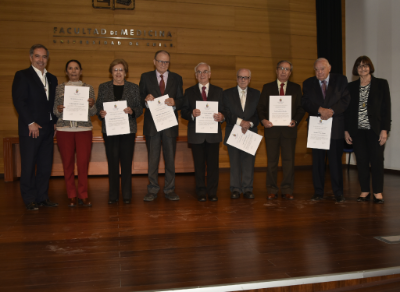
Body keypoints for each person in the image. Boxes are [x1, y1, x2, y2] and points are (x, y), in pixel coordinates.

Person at [12, 44, 59, 210]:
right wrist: (30, 122)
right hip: (31, 129)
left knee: (45, 165)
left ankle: (42, 197)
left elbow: (52, 104)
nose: (41, 60)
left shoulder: (52, 79)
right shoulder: (23, 76)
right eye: (37, 56)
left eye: (44, 57)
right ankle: (29, 199)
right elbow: (19, 101)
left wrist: (54, 122)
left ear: (47, 59)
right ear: (31, 57)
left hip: (47, 129)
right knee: (29, 165)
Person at [302, 58, 350, 203]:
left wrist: (331, 111)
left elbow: (346, 100)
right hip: (317, 128)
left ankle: (338, 193)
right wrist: (319, 110)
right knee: (317, 162)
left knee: (335, 161)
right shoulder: (308, 83)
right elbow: (305, 102)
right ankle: (318, 192)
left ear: (329, 68)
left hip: (335, 126)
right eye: (316, 69)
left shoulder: (341, 80)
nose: (319, 72)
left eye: (322, 69)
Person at [344, 56, 391, 204]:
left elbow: (386, 109)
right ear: (356, 69)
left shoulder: (381, 84)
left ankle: (378, 192)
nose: (362, 68)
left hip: (375, 130)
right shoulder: (351, 87)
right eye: (359, 66)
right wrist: (346, 130)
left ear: (370, 67)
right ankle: (364, 191)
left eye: (365, 65)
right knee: (362, 161)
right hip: (357, 131)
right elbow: (347, 111)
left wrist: (385, 129)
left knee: (377, 161)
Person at [96, 59, 143, 204]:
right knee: (113, 162)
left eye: (121, 70)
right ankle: (113, 195)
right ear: (111, 72)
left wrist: (132, 110)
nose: (118, 73)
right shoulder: (103, 87)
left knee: (127, 162)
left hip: (128, 130)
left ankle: (127, 194)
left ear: (126, 73)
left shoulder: (134, 88)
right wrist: (101, 113)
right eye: (115, 70)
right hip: (109, 130)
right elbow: (98, 106)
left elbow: (140, 108)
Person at [139, 50, 183, 202]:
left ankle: (170, 189)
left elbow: (182, 99)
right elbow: (139, 98)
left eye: (166, 62)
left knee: (170, 159)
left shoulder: (177, 78)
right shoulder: (145, 77)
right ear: (154, 62)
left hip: (170, 124)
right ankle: (152, 189)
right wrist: (146, 99)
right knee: (153, 159)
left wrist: (175, 102)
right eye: (161, 61)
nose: (164, 64)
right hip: (152, 125)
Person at [257, 60, 305, 200]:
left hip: (289, 131)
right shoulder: (267, 87)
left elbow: (301, 108)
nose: (284, 71)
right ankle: (271, 189)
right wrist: (263, 120)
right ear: (276, 70)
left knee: (288, 161)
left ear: (290, 72)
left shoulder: (296, 88)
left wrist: (295, 120)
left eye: (287, 69)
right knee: (271, 161)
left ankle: (287, 189)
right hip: (271, 131)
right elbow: (261, 108)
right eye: (281, 68)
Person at [54, 60, 97, 207]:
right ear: (66, 72)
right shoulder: (59, 88)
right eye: (70, 68)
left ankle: (83, 194)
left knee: (83, 164)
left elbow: (93, 112)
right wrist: (58, 110)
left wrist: (92, 105)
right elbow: (54, 110)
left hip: (83, 130)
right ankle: (71, 194)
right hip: (64, 130)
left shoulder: (88, 88)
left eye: (76, 68)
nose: (73, 71)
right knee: (68, 164)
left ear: (81, 71)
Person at [181, 62, 225, 202]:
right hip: (197, 135)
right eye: (199, 72)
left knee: (213, 166)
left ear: (210, 74)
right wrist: (192, 114)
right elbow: (183, 112)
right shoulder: (189, 91)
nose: (202, 74)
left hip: (213, 135)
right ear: (195, 75)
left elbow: (225, 111)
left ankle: (212, 192)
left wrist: (221, 116)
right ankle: (200, 191)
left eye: (205, 71)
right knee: (198, 165)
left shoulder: (219, 91)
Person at [223, 68, 260, 199]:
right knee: (234, 162)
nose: (243, 80)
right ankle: (235, 188)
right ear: (237, 78)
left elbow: (258, 114)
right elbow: (226, 112)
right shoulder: (227, 94)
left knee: (249, 162)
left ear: (250, 79)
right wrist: (241, 122)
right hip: (233, 131)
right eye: (240, 77)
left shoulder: (257, 94)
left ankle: (248, 188)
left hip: (250, 132)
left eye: (245, 77)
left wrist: (249, 124)